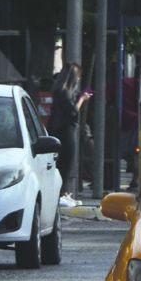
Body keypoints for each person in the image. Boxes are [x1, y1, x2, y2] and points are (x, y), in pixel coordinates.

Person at [48, 63, 91, 204]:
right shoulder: (64, 92)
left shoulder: (58, 91)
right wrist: (82, 99)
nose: (79, 80)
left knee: (63, 163)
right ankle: (62, 193)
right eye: (78, 77)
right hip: (66, 131)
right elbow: (73, 111)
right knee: (67, 162)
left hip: (58, 130)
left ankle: (63, 192)